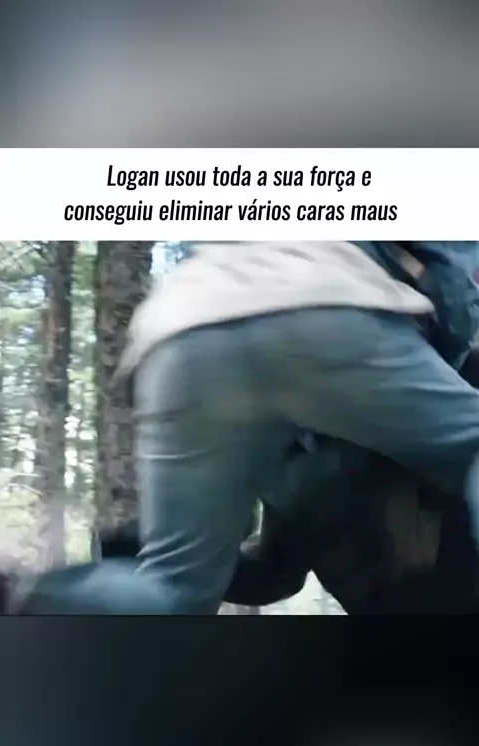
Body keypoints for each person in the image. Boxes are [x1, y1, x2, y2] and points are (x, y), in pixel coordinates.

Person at [116, 240, 479, 614]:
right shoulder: (296, 450)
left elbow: (275, 572)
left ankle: (93, 596)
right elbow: (278, 569)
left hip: (176, 335)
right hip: (336, 318)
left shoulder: (287, 447)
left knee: (174, 586)